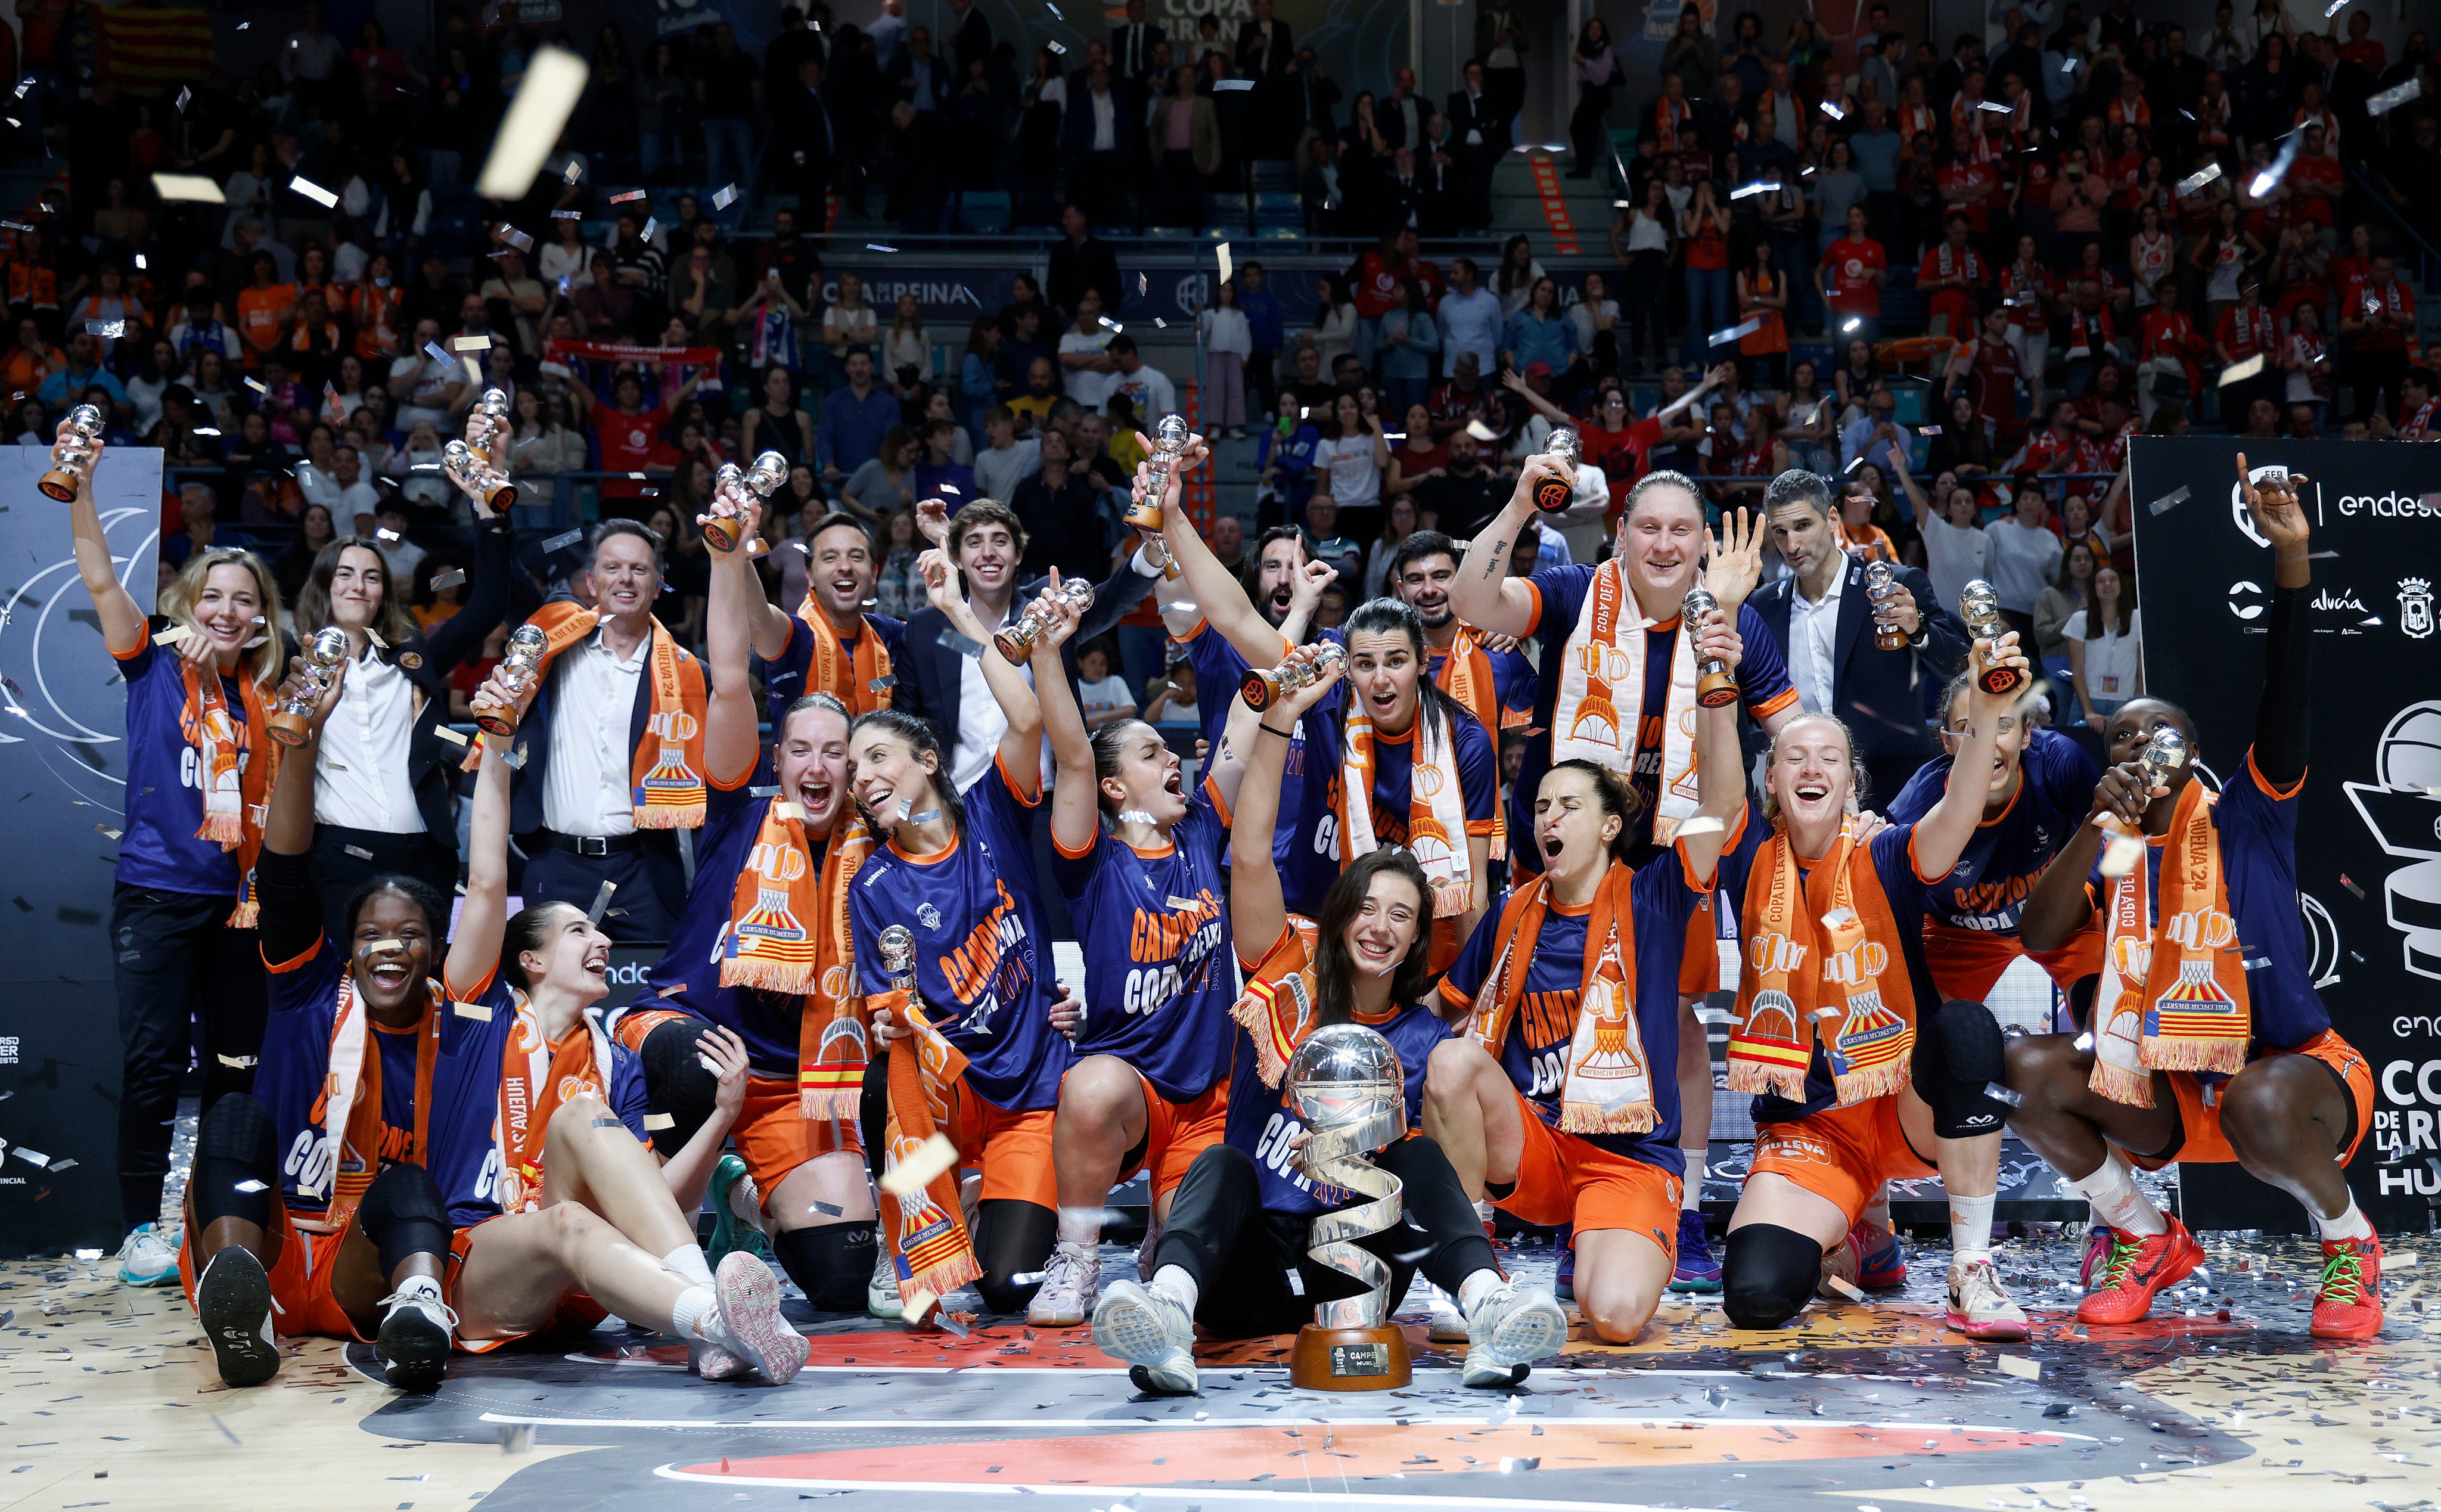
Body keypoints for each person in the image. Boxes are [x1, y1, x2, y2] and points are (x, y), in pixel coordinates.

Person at [1086, 651, 1566, 1395]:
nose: (1380, 926)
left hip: (1358, 1271)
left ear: (1417, 938)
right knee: (1220, 1162)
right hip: (1248, 1268)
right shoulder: (1288, 969)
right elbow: (1251, 852)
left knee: (1416, 1156)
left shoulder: (1424, 1040)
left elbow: (1433, 1174)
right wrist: (1279, 720)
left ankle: (1487, 1307)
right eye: (1366, 907)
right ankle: (1170, 1311)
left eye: (1401, 915)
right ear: (1340, 916)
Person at [2005, 461, 2383, 1341]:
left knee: (2257, 1097)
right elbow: (2037, 932)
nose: (2141, 741)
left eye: (2159, 730)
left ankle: (2349, 1241)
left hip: (2288, 1079)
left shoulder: (2248, 815)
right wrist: (2094, 827)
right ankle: (2144, 1233)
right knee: (2024, 1070)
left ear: (2194, 752)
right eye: (2121, 734)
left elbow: (2286, 694)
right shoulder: (2111, 855)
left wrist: (2292, 563)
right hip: (2168, 1094)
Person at [1451, 464, 1799, 1294]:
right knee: (1560, 1016)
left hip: (1673, 850)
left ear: (1704, 543)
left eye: (1682, 529)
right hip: (1569, 841)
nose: (1665, 544)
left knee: (1675, 1020)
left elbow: (1793, 733)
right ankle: (1569, 1199)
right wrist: (1520, 502)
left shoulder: (1733, 620)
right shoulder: (1577, 592)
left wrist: (1845, 800)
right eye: (1650, 527)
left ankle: (1681, 1207)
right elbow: (1472, 601)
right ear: (1620, 536)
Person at [441, 671, 808, 1383]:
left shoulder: (613, 1060)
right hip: (487, 1268)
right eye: (579, 930)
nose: (603, 939)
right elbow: (486, 880)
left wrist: (721, 1116)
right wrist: (498, 743)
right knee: (569, 1212)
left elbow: (655, 1202)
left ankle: (710, 1314)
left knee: (584, 1121)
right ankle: (713, 1320)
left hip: (583, 1282)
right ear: (529, 959)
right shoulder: (478, 1015)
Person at [1424, 594, 1748, 1344]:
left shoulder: (1655, 895)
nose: (1548, 818)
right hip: (1536, 1143)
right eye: (1541, 806)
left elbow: (1725, 800)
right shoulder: (1512, 910)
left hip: (1626, 1155)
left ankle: (1600, 1237)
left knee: (1616, 1318)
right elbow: (1439, 1016)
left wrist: (1715, 675)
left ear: (1608, 825)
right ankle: (1472, 1271)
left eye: (1568, 805)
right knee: (1450, 1059)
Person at [172, 651, 493, 1389]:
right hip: (276, 1238)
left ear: (436, 951)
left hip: (366, 1264)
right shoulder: (308, 992)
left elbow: (486, 887)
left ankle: (417, 1313)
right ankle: (238, 1294)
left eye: (410, 934)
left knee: (409, 1183)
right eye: (372, 934)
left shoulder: (458, 1029)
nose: (390, 946)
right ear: (346, 950)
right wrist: (302, 740)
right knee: (234, 1117)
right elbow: (285, 871)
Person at [1716, 632, 2037, 1340]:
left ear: (1850, 786)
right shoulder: (1745, 858)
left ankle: (1971, 1267)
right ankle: (1864, 1232)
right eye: (1793, 757)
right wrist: (1718, 673)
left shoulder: (1884, 849)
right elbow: (1715, 780)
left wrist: (1986, 711)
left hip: (1901, 1104)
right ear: (1770, 782)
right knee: (1757, 1296)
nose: (1811, 767)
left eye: (1829, 757)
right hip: (1813, 1127)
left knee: (1966, 1029)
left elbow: (1958, 810)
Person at [1023, 509, 1262, 1322]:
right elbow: (1072, 751)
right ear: (1115, 786)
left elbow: (1245, 716)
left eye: (1170, 749)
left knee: (1203, 1285)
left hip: (1209, 1099)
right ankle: (1077, 1255)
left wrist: (1263, 630)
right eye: (1152, 752)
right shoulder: (1090, 854)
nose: (1173, 758)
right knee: (1087, 1086)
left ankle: (1162, 1236)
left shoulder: (1202, 828)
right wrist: (1048, 652)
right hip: (1131, 1086)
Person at [69, 423, 283, 1287]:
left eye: (244, 599)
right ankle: (138, 1230)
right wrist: (80, 485)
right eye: (214, 596)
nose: (227, 610)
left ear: (261, 617)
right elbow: (99, 577)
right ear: (191, 602)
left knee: (235, 1071)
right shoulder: (152, 663)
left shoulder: (268, 700)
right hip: (157, 897)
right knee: (155, 1066)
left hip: (241, 907)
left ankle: (217, 1220)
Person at [852, 547, 1079, 1318]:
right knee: (884, 1078)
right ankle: (904, 1223)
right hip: (948, 1098)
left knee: (1005, 1288)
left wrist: (954, 610)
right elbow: (893, 1017)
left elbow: (1027, 718)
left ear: (927, 760)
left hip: (1028, 1095)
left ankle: (984, 1204)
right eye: (855, 770)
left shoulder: (993, 812)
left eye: (878, 756)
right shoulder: (872, 886)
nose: (863, 776)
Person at [286, 514, 508, 939]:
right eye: (345, 574)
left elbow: (489, 606)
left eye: (372, 577)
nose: (358, 586)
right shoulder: (292, 664)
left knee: (425, 977)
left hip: (424, 854)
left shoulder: (413, 660)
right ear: (324, 584)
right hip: (339, 854)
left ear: (383, 592)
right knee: (344, 977)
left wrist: (491, 517)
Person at [493, 520, 706, 942]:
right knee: (544, 982)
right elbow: (504, 581)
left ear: (658, 585)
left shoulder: (689, 675)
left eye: (639, 569)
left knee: (655, 981)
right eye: (613, 567)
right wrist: (492, 518)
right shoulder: (555, 646)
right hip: (557, 863)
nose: (625, 578)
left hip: (643, 870)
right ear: (591, 582)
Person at [1749, 472, 1971, 808]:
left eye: (1803, 526)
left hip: (1895, 793)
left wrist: (1918, 629)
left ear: (1832, 519)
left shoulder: (1898, 585)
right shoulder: (1764, 605)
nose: (1792, 545)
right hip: (1804, 794)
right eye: (1781, 532)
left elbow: (1960, 666)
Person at [2066, 564, 2141, 731]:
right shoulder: (2080, 620)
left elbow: (2141, 670)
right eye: (2101, 581)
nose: (2107, 584)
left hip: (2125, 701)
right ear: (2094, 588)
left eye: (2112, 580)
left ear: (2121, 585)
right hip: (2089, 701)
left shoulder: (2137, 619)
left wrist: (2137, 706)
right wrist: (2089, 712)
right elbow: (2076, 669)